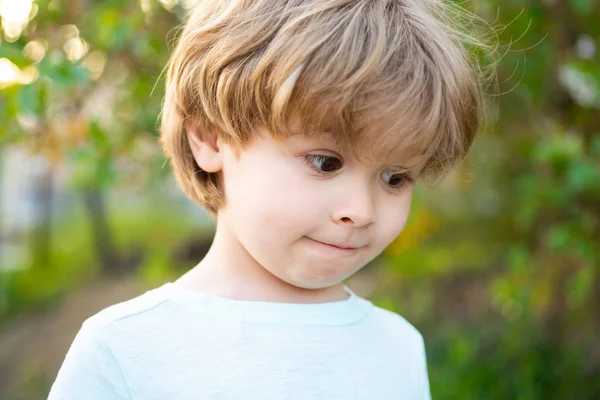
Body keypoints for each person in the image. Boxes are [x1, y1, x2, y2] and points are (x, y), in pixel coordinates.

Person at [49, 0, 493, 398]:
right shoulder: (124, 350)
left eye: (396, 178)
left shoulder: (398, 347)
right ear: (210, 136)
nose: (360, 211)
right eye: (325, 163)